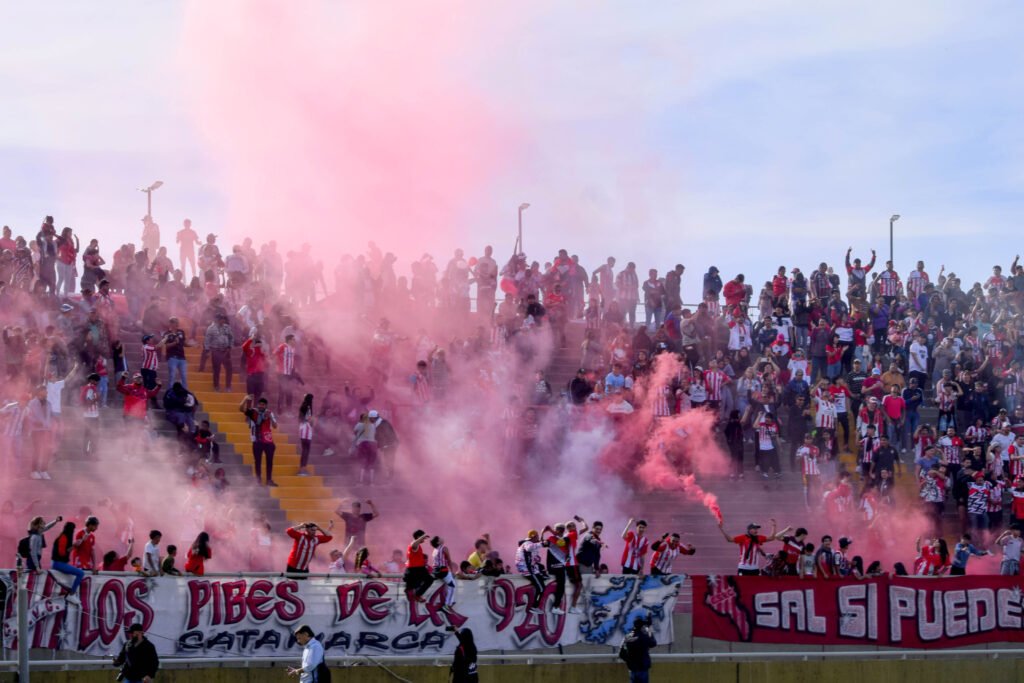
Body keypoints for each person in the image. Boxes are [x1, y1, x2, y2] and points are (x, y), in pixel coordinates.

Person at [240, 394, 278, 487]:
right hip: (257, 441)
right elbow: (241, 409)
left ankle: (269, 480)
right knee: (257, 461)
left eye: (263, 405)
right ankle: (258, 481)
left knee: (270, 461)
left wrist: (270, 417)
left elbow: (275, 426)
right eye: (260, 404)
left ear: (266, 406)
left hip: (268, 441)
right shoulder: (253, 412)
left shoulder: (270, 413)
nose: (261, 406)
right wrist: (245, 399)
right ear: (257, 405)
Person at [620, 615, 657, 683]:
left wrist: (629, 661)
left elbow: (622, 654)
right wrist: (649, 628)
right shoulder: (644, 637)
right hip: (643, 668)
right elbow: (653, 643)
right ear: (642, 626)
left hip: (633, 669)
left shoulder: (628, 637)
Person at [404, 529, 433, 603]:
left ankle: (416, 594)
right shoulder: (414, 545)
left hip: (417, 568)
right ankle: (417, 595)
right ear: (418, 537)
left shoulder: (417, 546)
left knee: (426, 580)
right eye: (423, 537)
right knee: (429, 580)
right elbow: (414, 544)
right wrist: (422, 537)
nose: (424, 539)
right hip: (416, 569)